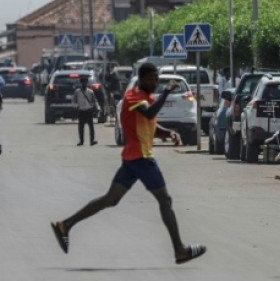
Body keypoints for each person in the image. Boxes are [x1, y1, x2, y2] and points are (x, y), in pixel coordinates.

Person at [50, 62, 207, 265]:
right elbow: (148, 113)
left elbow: (149, 123)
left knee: (110, 199)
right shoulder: (133, 97)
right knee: (165, 200)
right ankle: (179, 250)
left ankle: (65, 225)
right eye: (151, 79)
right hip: (141, 158)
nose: (155, 83)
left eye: (157, 79)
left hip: (132, 160)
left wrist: (166, 132)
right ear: (141, 79)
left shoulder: (146, 98)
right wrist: (166, 93)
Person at [73, 77, 98, 146]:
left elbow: (94, 101)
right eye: (83, 82)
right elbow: (74, 101)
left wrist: (97, 108)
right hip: (81, 111)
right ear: (81, 83)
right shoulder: (77, 92)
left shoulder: (90, 92)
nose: (84, 83)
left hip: (89, 111)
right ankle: (81, 141)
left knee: (91, 127)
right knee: (81, 127)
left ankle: (92, 140)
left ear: (87, 83)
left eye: (85, 82)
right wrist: (76, 106)